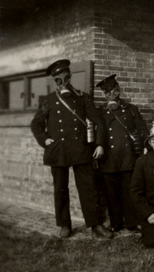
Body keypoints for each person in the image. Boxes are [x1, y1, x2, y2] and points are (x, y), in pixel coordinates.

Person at [30, 59, 112, 239]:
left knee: (89, 188)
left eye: (65, 79)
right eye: (58, 80)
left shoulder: (83, 98)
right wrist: (45, 140)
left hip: (82, 150)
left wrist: (99, 144)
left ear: (69, 77)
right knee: (60, 189)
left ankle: (96, 225)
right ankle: (64, 225)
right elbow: (36, 124)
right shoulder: (48, 100)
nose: (63, 83)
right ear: (54, 81)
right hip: (58, 151)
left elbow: (98, 122)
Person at [95, 74, 147, 232]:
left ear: (118, 92)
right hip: (109, 159)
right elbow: (98, 133)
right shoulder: (100, 112)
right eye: (107, 93)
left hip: (127, 157)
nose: (111, 96)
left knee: (129, 191)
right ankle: (115, 223)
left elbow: (142, 129)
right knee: (111, 194)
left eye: (114, 92)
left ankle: (132, 222)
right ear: (105, 95)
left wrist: (144, 146)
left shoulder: (131, 109)